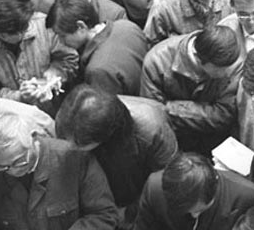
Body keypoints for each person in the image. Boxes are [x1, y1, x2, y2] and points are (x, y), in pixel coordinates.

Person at [0, 112, 119, 230]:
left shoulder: (74, 157)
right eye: (3, 167)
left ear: (34, 139)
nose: (13, 171)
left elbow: (103, 215)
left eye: (19, 161)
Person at [55, 85, 177, 223]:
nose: (69, 146)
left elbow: (165, 187)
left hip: (137, 201)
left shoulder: (153, 132)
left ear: (102, 136)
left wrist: (128, 213)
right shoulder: (72, 124)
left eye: (77, 143)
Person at [0, 0, 78, 108]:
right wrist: (19, 96)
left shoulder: (45, 25)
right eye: (13, 33)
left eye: (25, 28)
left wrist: (55, 72)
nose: (21, 35)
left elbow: (69, 57)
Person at [139, 25, 242, 154]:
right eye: (219, 69)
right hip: (174, 143)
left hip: (215, 145)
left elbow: (224, 116)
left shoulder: (231, 60)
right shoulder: (157, 62)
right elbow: (154, 115)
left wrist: (171, 108)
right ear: (198, 59)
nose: (226, 74)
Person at [51, 0, 148, 95]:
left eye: (62, 35)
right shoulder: (127, 25)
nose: (61, 42)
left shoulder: (97, 70)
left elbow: (106, 109)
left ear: (81, 26)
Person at [135, 152, 254, 230]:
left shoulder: (249, 197)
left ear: (215, 188)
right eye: (186, 211)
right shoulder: (154, 188)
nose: (194, 215)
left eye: (199, 210)